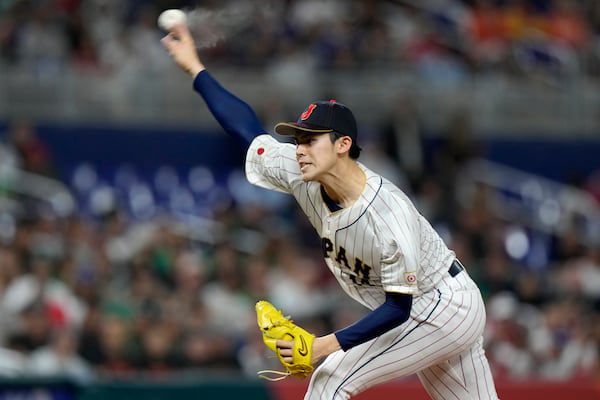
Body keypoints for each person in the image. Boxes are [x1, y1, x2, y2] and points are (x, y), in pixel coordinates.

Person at [161, 23, 499, 400]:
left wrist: (323, 346)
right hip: (431, 306)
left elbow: (398, 309)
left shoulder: (388, 211)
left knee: (331, 378)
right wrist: (195, 66)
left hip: (440, 304)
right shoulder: (298, 169)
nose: (299, 148)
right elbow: (246, 129)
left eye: (310, 139)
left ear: (343, 145)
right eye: (298, 138)